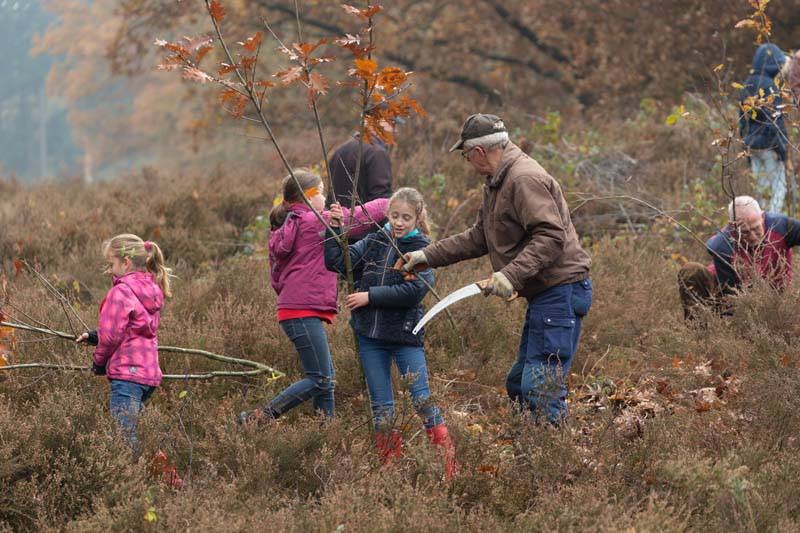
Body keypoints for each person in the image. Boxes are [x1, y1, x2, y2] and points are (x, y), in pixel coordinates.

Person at [400, 114, 593, 426]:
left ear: (479, 152)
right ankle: (531, 454)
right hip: (545, 296)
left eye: (466, 156)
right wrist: (426, 255)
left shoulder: (522, 179)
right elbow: (479, 237)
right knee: (520, 385)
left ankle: (556, 462)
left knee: (540, 388)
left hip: (561, 292)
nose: (468, 164)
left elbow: (551, 236)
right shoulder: (497, 183)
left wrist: (510, 275)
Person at [324, 187, 458, 479]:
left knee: (421, 399)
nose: (399, 222)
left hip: (405, 336)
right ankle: (389, 470)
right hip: (369, 336)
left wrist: (369, 296)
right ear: (387, 215)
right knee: (381, 407)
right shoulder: (375, 239)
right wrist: (334, 229)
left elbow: (413, 291)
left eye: (406, 217)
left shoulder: (422, 248)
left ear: (417, 217)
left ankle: (449, 466)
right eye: (395, 216)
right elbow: (338, 262)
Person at [239, 170, 388, 423]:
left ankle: (323, 432)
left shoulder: (289, 224)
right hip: (301, 310)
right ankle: (258, 418)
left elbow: (276, 276)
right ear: (308, 197)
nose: (325, 197)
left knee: (326, 380)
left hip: (295, 308)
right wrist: (391, 204)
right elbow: (358, 218)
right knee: (321, 378)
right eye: (320, 192)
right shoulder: (314, 221)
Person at [75, 233, 183, 487]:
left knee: (125, 437)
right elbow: (132, 329)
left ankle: (141, 486)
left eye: (111, 264)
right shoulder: (151, 289)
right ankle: (169, 481)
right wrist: (94, 336)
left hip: (126, 376)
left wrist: (99, 363)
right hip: (148, 377)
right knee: (139, 434)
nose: (109, 270)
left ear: (125, 263)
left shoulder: (120, 292)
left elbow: (112, 337)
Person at [678, 196, 800, 320]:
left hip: (775, 299)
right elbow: (732, 296)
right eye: (745, 232)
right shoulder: (723, 246)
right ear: (733, 226)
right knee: (691, 270)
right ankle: (699, 332)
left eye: (756, 228)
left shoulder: (782, 226)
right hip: (726, 294)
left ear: (762, 217)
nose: (753, 237)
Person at [739, 43, 789, 213]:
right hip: (770, 147)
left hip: (752, 147)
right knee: (777, 191)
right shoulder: (770, 86)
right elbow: (775, 121)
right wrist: (782, 151)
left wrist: (746, 147)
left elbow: (742, 122)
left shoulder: (746, 84)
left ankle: (760, 230)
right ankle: (772, 232)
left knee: (761, 194)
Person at [327, 133, 392, 207]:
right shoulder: (377, 153)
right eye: (392, 124)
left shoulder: (340, 150)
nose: (396, 131)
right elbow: (381, 200)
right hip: (363, 217)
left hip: (335, 215)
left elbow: (331, 195)